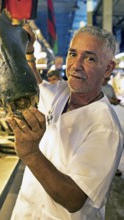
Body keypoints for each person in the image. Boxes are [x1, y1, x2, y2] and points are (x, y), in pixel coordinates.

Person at [7, 25, 124, 220]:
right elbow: (34, 83)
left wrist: (30, 153)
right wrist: (28, 51)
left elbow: (73, 199)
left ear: (108, 68)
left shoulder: (105, 128)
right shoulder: (61, 92)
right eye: (72, 54)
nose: (76, 65)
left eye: (90, 58)